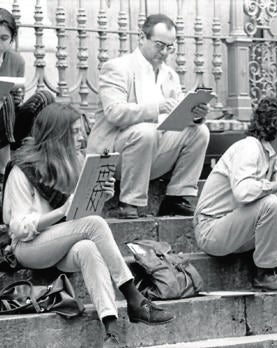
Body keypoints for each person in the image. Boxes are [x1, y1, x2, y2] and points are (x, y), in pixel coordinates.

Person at [2, 103, 174, 348]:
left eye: (80, 130)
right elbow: (18, 228)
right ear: (56, 135)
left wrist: (99, 196)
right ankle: (133, 296)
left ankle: (111, 331)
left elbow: (79, 217)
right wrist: (60, 211)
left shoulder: (76, 161)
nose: (81, 137)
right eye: (73, 132)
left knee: (88, 249)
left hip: (62, 243)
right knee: (93, 225)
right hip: (29, 247)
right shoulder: (22, 169)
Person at [87, 14, 209, 219]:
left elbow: (176, 110)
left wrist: (194, 114)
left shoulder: (169, 74)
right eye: (160, 45)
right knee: (146, 131)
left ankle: (176, 198)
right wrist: (157, 108)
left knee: (199, 131)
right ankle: (128, 204)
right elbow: (114, 112)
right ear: (141, 37)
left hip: (153, 150)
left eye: (170, 47)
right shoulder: (117, 67)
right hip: (115, 154)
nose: (164, 52)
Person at [194, 97, 277, 291]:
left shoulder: (271, 155)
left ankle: (276, 268)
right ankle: (265, 273)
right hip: (212, 232)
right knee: (270, 203)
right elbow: (244, 193)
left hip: (240, 231)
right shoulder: (249, 148)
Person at [0, 8, 54, 178]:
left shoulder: (16, 60)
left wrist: (17, 97)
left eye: (4, 39)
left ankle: (42, 158)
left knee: (45, 97)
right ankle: (4, 167)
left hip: (10, 125)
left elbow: (15, 103)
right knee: (5, 97)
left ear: (12, 39)